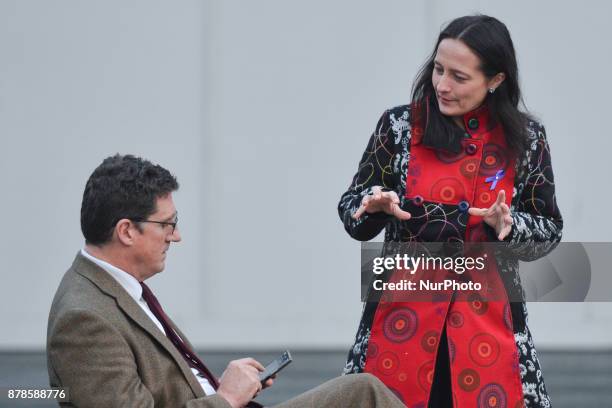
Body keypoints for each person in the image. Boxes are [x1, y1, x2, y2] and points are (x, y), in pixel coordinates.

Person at [47, 154, 405, 408]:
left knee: (361, 392)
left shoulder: (113, 286)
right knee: (365, 395)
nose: (176, 236)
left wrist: (221, 386)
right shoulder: (84, 319)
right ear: (126, 230)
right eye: (167, 224)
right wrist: (226, 399)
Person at [338, 15, 562, 408]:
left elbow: (549, 229)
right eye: (438, 69)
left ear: (495, 80)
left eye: (459, 77)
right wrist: (372, 207)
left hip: (490, 327)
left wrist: (508, 226)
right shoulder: (400, 126)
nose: (442, 85)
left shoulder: (525, 139)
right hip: (400, 321)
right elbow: (350, 206)